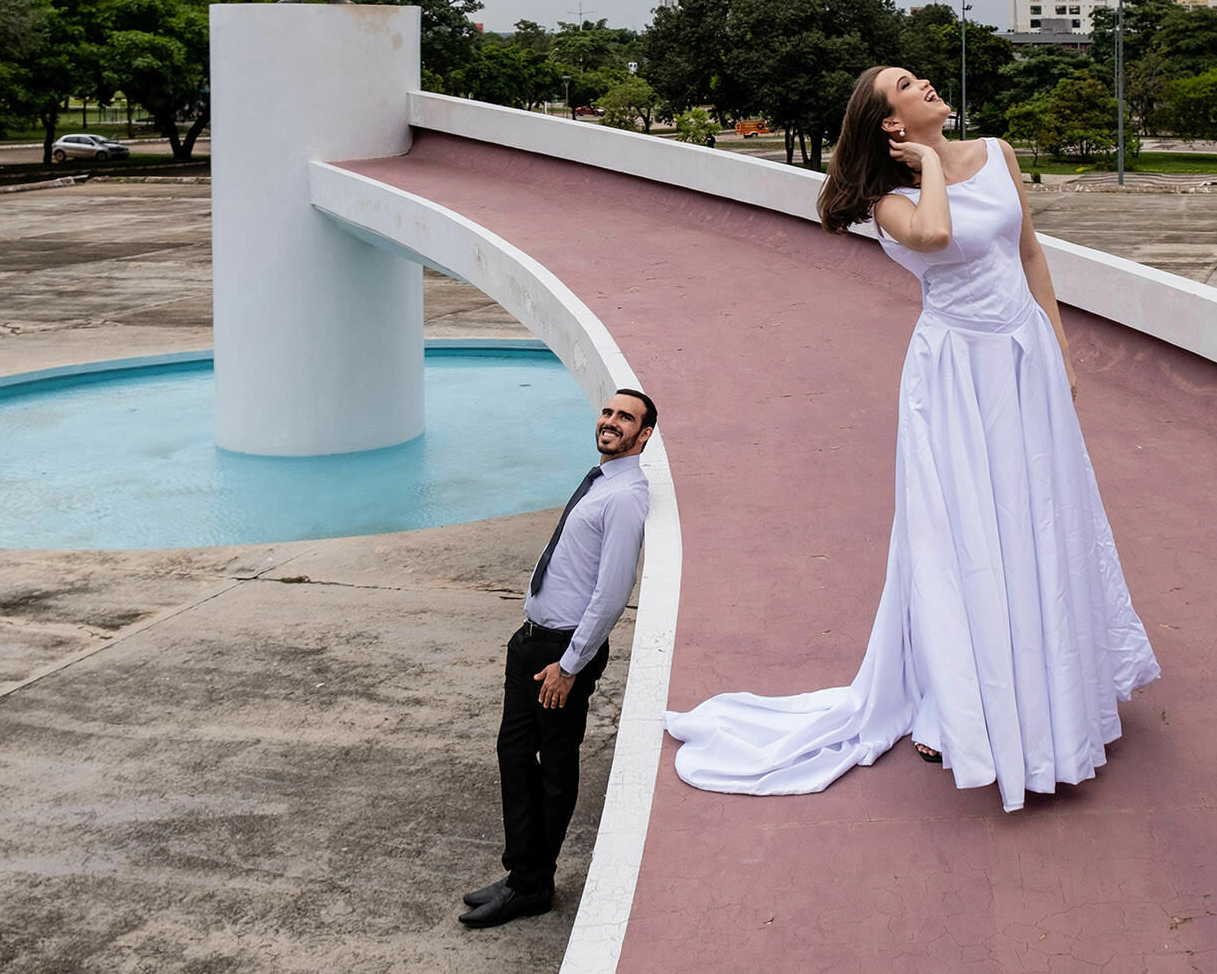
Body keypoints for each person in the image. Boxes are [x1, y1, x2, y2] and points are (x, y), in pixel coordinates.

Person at [664, 65, 1159, 813]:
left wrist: (1059, 350)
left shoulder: (998, 152)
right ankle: (960, 706)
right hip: (955, 377)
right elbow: (937, 234)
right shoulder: (891, 204)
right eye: (906, 83)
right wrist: (929, 163)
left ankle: (1058, 692)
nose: (926, 81)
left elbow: (1029, 253)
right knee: (965, 537)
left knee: (1043, 517)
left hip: (1023, 358)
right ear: (891, 124)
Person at [461, 390, 655, 928]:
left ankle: (532, 886)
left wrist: (570, 666)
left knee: (554, 766)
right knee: (514, 756)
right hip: (532, 641)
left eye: (626, 418)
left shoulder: (625, 497)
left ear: (644, 435)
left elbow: (612, 593)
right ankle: (522, 873)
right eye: (608, 412)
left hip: (562, 653)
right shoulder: (600, 482)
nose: (611, 421)